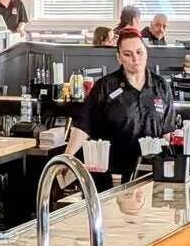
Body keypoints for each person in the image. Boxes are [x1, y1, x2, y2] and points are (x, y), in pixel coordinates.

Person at [64, 29, 177, 180]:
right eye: (127, 54)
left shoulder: (161, 85)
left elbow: (168, 132)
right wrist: (67, 158)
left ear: (146, 52)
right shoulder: (105, 86)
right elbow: (84, 125)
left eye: (139, 52)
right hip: (112, 173)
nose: (135, 59)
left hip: (151, 172)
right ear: (119, 58)